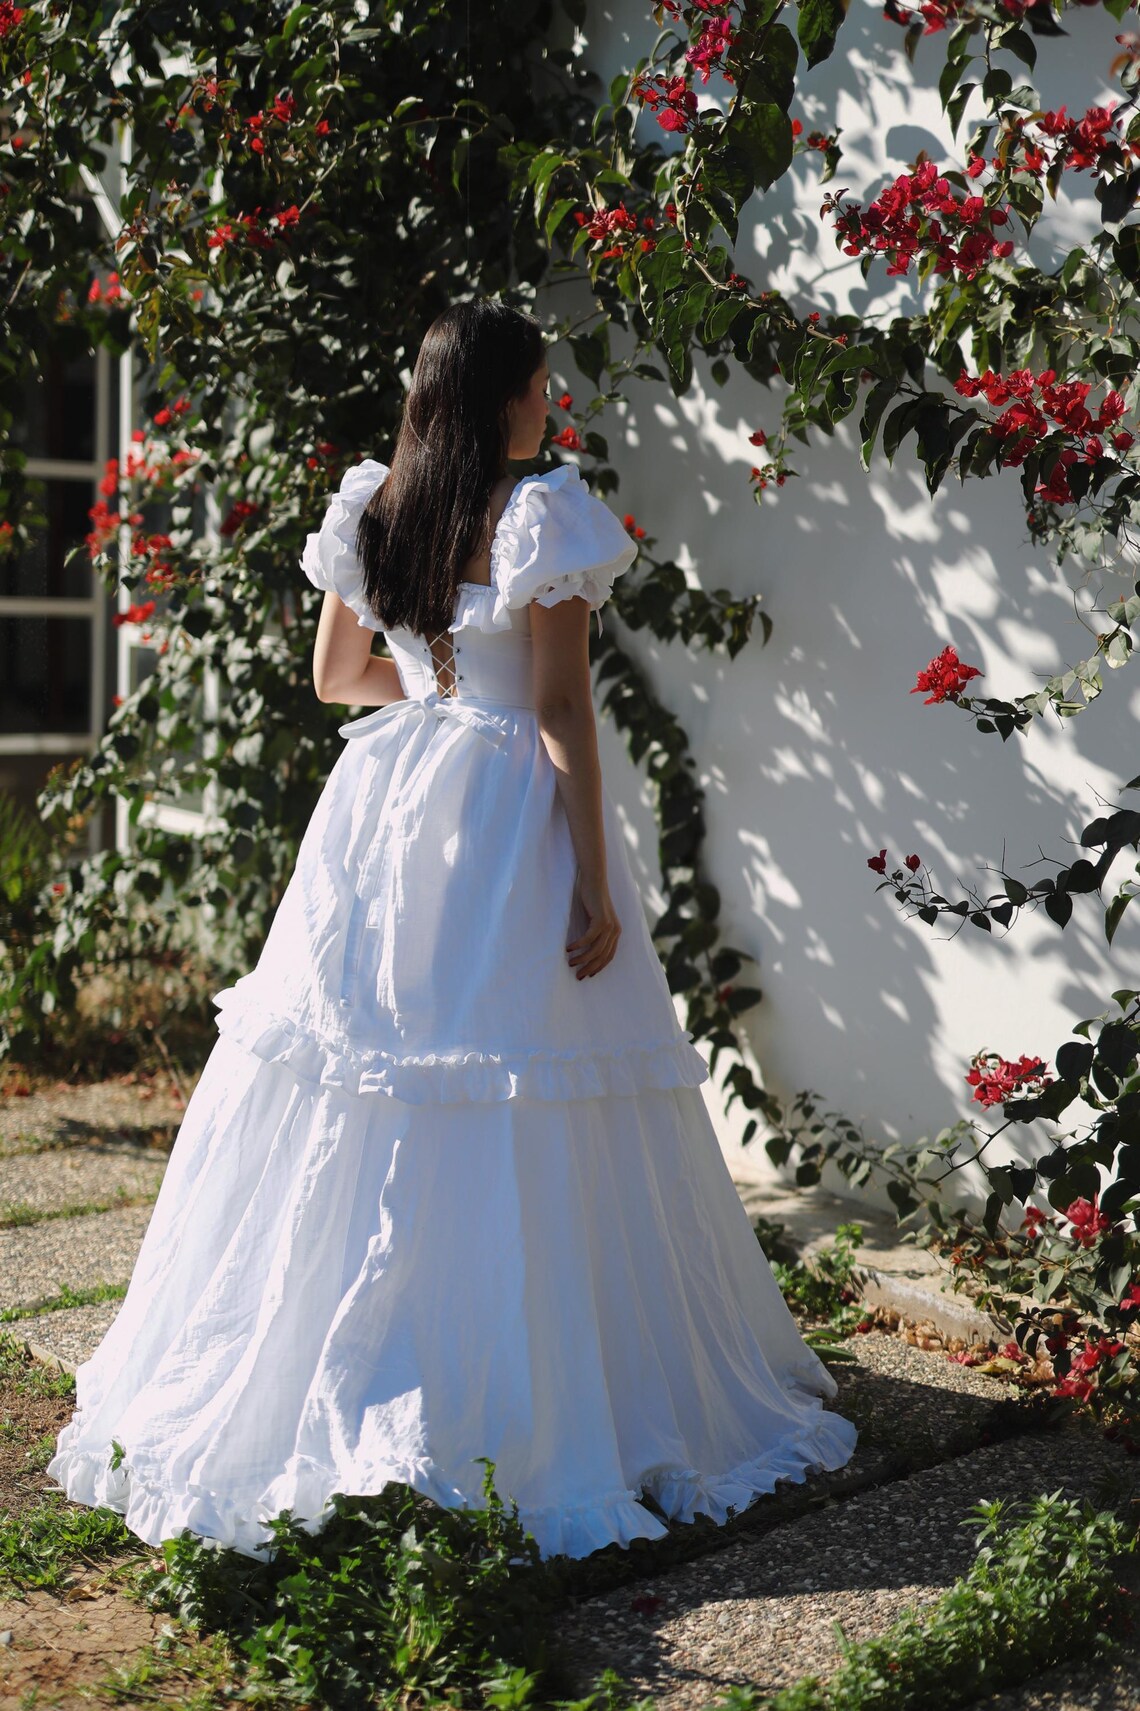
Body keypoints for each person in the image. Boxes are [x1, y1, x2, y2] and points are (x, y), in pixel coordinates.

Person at [46, 298, 857, 1563]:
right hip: (497, 820)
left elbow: (335, 679)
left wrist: (430, 688)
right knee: (514, 1065)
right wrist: (592, 878)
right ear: (498, 400)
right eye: (538, 386)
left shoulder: (378, 505)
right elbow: (561, 719)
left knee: (370, 1071)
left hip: (383, 806)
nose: (550, 405)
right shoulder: (541, 516)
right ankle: (502, 1383)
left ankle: (348, 1356)